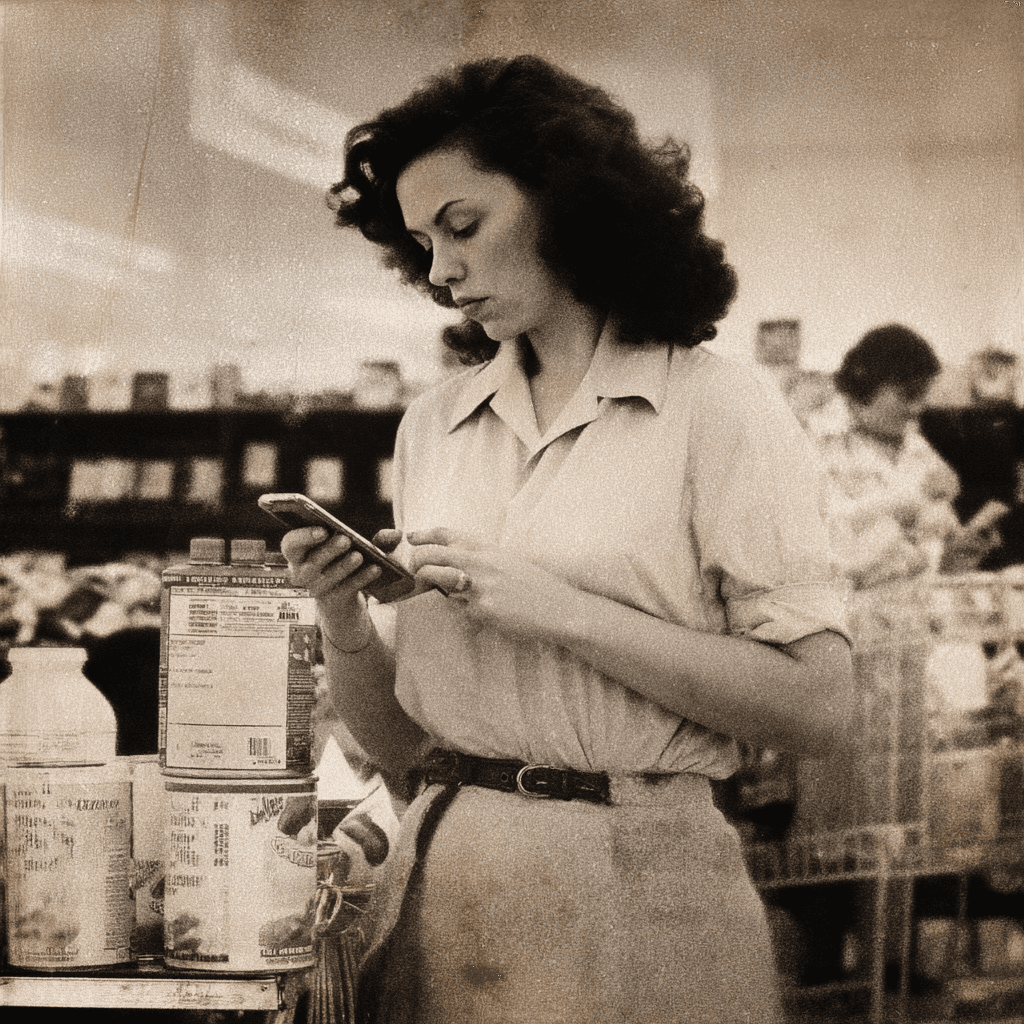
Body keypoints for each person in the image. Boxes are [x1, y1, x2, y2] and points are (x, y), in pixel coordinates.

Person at [282, 55, 853, 1024]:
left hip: (641, 891)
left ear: (567, 202)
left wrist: (565, 614)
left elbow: (819, 706)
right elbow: (409, 747)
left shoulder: (717, 407)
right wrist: (344, 618)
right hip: (445, 885)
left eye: (462, 226)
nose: (440, 270)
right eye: (420, 242)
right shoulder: (435, 422)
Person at [803, 323, 1004, 589]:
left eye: (922, 396)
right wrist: (904, 509)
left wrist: (956, 554)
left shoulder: (918, 449)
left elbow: (935, 556)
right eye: (907, 395)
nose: (917, 408)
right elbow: (827, 556)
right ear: (866, 385)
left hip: (916, 609)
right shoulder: (816, 444)